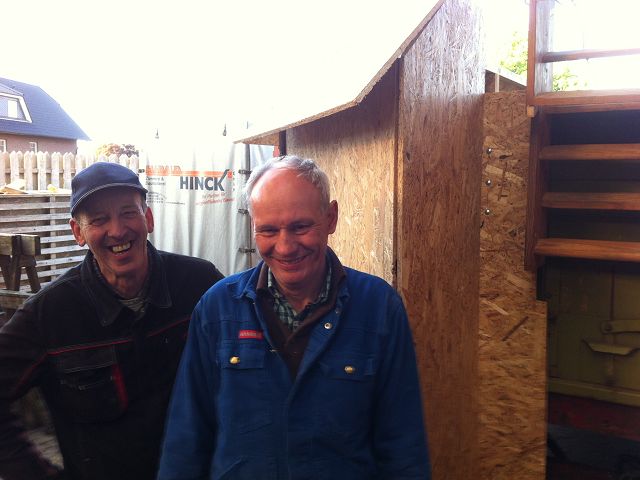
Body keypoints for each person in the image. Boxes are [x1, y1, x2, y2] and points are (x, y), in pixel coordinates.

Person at [157, 155, 431, 479]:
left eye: (300, 227)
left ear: (330, 218)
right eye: (268, 230)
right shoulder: (217, 310)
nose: (285, 247)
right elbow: (186, 441)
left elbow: (403, 446)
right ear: (253, 227)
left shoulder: (379, 308)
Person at [0, 162, 224, 480]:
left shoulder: (199, 283)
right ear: (78, 232)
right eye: (99, 219)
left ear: (148, 219)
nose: (117, 231)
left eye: (128, 213)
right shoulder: (50, 314)